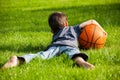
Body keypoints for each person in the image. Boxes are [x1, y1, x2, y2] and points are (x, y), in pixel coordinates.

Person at [2, 12, 103, 69]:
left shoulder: (54, 33)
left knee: (40, 55)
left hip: (54, 47)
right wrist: (103, 32)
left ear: (51, 30)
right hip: (69, 46)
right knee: (75, 55)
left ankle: (18, 60)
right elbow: (92, 21)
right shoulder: (74, 28)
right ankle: (82, 62)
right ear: (66, 24)